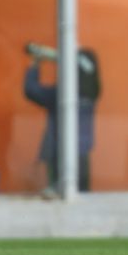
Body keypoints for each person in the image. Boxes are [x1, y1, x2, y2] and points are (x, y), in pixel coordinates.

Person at [23, 44, 101, 193]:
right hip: (82, 155)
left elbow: (31, 90)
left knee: (59, 195)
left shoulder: (63, 97)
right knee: (81, 196)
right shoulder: (90, 96)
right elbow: (86, 68)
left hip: (59, 154)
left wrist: (35, 63)